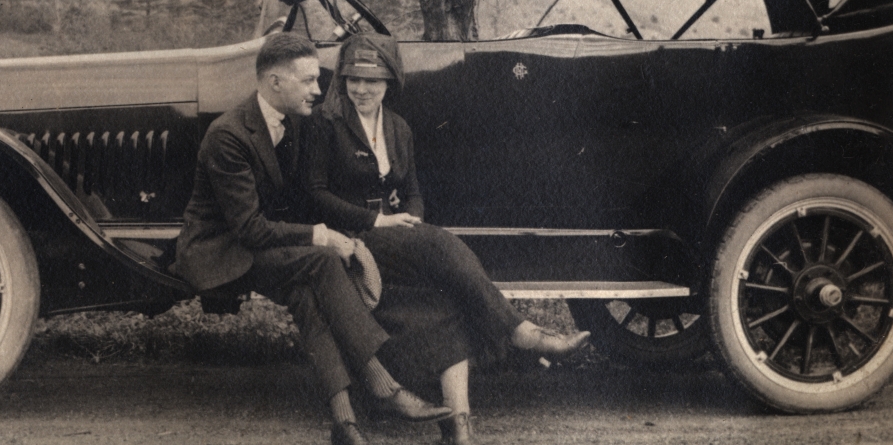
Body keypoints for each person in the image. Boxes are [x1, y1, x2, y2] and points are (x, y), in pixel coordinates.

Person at [303, 32, 591, 445]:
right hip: (353, 237)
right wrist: (377, 221)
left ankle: (459, 427)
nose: (362, 89)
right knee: (440, 243)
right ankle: (520, 331)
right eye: (354, 79)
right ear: (343, 80)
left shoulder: (398, 127)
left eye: (372, 81)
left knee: (447, 297)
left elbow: (413, 191)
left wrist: (413, 222)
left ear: (389, 82)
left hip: (396, 239)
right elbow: (315, 195)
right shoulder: (325, 123)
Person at [173, 32, 451, 445]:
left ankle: (344, 422)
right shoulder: (228, 135)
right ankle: (384, 387)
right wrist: (321, 236)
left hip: (268, 246)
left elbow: (301, 198)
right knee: (321, 260)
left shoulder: (296, 122)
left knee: (306, 293)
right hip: (223, 252)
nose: (319, 90)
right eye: (307, 81)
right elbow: (249, 229)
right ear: (274, 82)